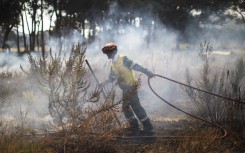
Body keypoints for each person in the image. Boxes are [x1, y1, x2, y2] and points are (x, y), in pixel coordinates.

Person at [100, 42, 155, 136]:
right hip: (126, 89)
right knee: (135, 107)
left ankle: (136, 128)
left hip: (130, 87)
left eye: (109, 53)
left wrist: (147, 72)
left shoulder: (123, 59)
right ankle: (147, 128)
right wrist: (103, 83)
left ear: (114, 51)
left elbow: (136, 66)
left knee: (126, 108)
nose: (108, 55)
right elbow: (111, 78)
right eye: (107, 53)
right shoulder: (113, 64)